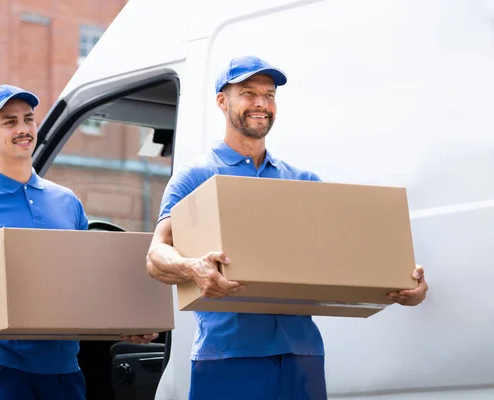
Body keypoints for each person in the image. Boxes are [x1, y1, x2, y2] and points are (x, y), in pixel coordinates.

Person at [146, 56, 429, 399]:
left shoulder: (302, 181)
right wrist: (191, 267)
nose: (262, 104)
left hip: (301, 357)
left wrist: (400, 283)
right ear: (222, 101)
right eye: (249, 93)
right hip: (228, 355)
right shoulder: (197, 177)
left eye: (269, 94)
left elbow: (345, 258)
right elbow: (156, 255)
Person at [0, 84, 157, 399]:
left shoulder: (67, 202)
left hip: (65, 372)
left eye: (28, 119)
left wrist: (126, 320)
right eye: (9, 121)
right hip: (0, 373)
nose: (23, 129)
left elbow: (85, 285)